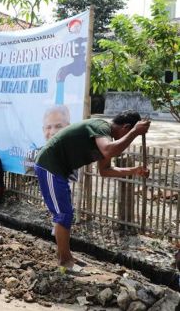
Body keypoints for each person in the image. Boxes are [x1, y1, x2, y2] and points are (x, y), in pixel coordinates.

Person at [35, 110, 150, 273]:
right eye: (130, 133)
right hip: (49, 165)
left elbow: (106, 171)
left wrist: (135, 169)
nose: (130, 140)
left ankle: (66, 255)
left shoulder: (105, 139)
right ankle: (64, 260)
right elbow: (110, 150)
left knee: (66, 214)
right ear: (126, 127)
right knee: (63, 215)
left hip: (59, 171)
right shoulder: (101, 127)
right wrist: (135, 132)